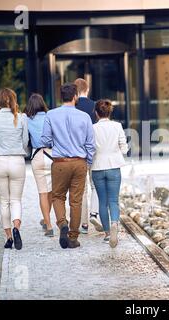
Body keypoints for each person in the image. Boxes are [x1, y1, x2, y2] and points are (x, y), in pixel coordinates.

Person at [41, 83, 95, 249]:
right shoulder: (85, 117)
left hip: (59, 163)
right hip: (79, 162)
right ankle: (73, 237)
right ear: (75, 97)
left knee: (57, 196)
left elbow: (44, 140)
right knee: (76, 201)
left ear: (60, 97)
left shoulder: (51, 115)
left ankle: (62, 223)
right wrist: (88, 162)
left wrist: (56, 142)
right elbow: (91, 144)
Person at [0, 88, 28, 250]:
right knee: (16, 200)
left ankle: (9, 238)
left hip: (0, 161)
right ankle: (17, 228)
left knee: (4, 201)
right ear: (13, 100)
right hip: (17, 160)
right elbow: (25, 141)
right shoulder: (22, 118)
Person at [91, 99, 128, 248]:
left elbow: (90, 148)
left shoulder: (92, 128)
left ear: (96, 113)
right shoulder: (117, 126)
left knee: (102, 201)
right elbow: (124, 148)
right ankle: (114, 224)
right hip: (114, 167)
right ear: (109, 112)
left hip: (98, 167)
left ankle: (107, 233)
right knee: (114, 200)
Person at [74, 78, 102, 234]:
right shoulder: (95, 106)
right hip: (93, 152)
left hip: (78, 153)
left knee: (82, 190)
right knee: (94, 185)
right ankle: (93, 213)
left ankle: (84, 224)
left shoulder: (73, 106)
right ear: (88, 89)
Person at [24, 93, 54, 237]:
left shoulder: (26, 119)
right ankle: (46, 218)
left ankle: (48, 225)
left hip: (37, 156)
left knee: (42, 192)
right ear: (42, 103)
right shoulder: (50, 116)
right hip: (52, 156)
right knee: (52, 191)